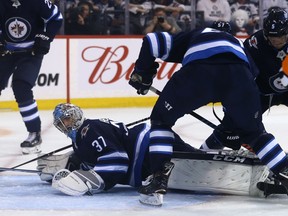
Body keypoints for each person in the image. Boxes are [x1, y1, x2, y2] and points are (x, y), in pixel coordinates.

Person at [128, 20, 288, 205]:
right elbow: (248, 84)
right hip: (239, 74)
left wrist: (143, 74)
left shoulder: (197, 34)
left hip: (200, 71)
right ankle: (283, 168)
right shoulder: (238, 46)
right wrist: (234, 123)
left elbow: (151, 41)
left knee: (161, 120)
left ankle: (157, 179)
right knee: (255, 134)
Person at [39, 102, 271, 205]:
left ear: (78, 115)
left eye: (70, 117)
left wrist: (87, 182)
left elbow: (117, 161)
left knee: (193, 159)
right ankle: (222, 142)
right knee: (194, 161)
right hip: (148, 153)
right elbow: (95, 158)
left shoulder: (89, 129)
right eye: (64, 121)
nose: (69, 123)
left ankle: (227, 143)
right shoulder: (83, 140)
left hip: (149, 145)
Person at [201, 9, 288, 149]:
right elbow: (238, 71)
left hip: (285, 91)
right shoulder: (255, 44)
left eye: (281, 36)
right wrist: (231, 100)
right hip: (259, 92)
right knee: (231, 126)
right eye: (272, 37)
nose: (276, 40)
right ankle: (205, 152)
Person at [0, 0, 63, 154]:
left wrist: (46, 37)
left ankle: (34, 133)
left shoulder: (37, 1)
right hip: (6, 52)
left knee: (21, 86)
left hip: (31, 53)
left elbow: (56, 18)